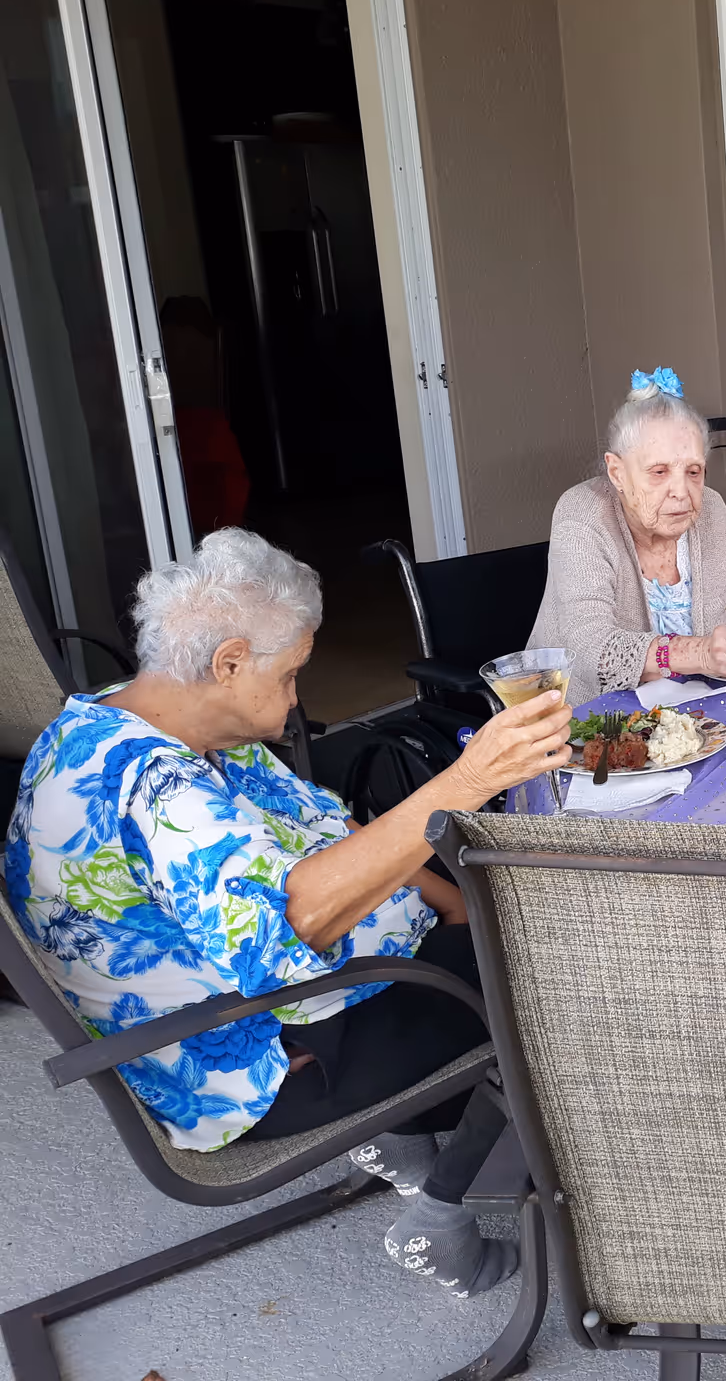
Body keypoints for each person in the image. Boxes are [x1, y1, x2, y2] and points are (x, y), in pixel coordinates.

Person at [5, 529, 572, 1299]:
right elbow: (288, 932)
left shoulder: (145, 715)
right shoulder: (154, 790)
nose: (300, 696)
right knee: (559, 980)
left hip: (293, 995)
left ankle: (404, 1144)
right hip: (259, 1055)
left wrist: (464, 908)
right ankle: (439, 1216)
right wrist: (469, 780)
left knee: (500, 928)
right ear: (229, 662)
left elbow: (332, 841)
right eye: (293, 673)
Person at [527, 366, 726, 703]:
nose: (681, 491)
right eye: (659, 472)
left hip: (702, 713)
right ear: (617, 472)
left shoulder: (712, 511)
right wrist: (699, 653)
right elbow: (589, 652)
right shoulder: (582, 515)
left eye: (693, 471)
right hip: (589, 723)